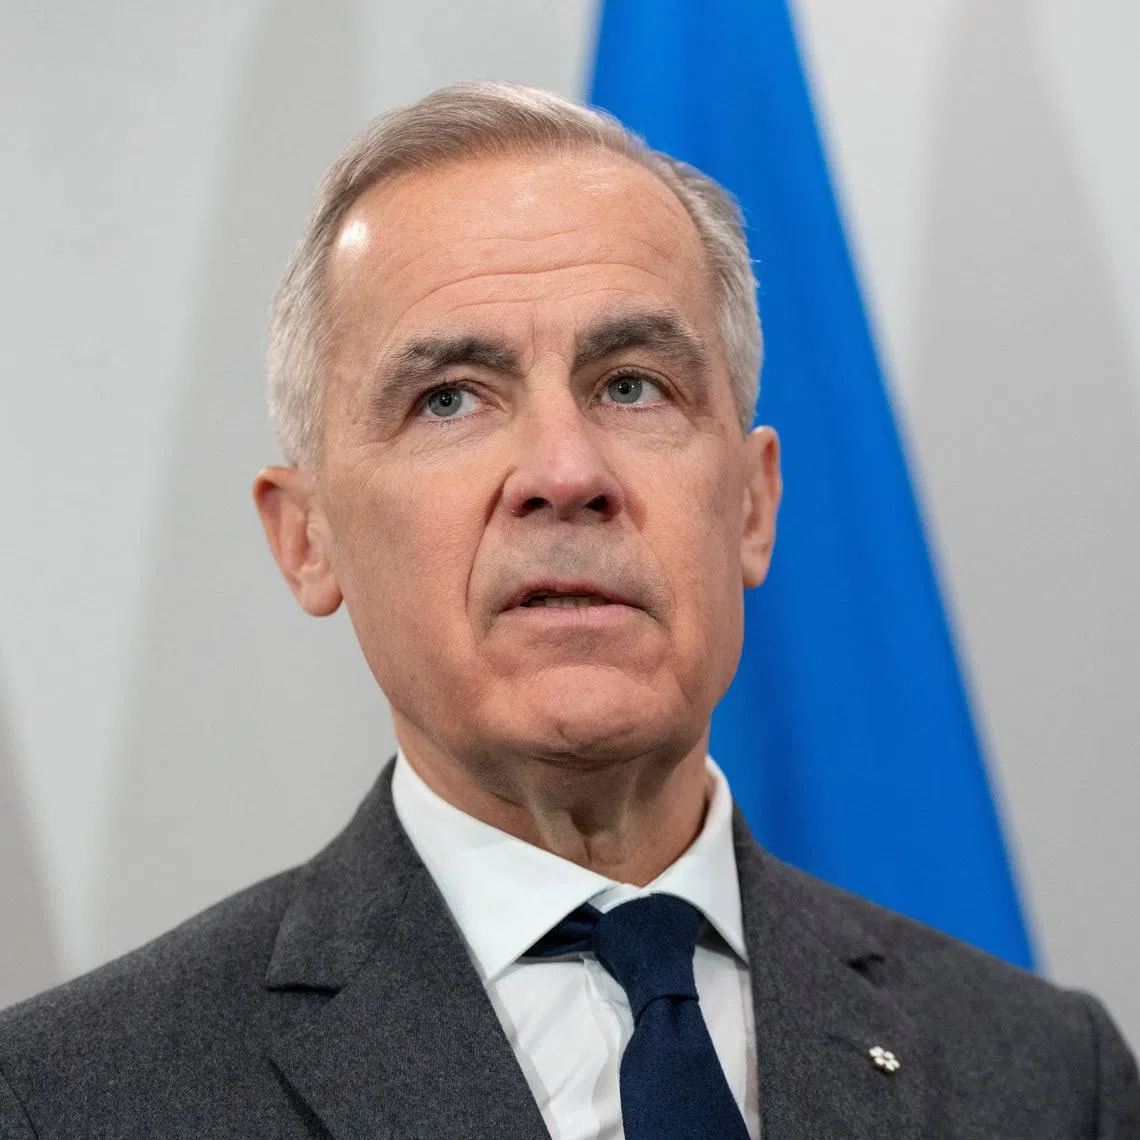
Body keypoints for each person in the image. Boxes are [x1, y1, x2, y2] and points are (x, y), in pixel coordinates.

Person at [0, 82, 1136, 1140]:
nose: (565, 469)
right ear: (308, 538)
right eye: (449, 399)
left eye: (632, 384)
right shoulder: (71, 1098)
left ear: (752, 505)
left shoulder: (1047, 1076)